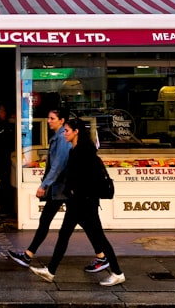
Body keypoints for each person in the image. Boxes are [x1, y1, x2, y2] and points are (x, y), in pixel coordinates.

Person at [7, 107, 109, 273]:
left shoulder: (63, 138)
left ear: (62, 121)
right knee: (62, 222)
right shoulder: (60, 137)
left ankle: (103, 258)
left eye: (52, 118)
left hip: (63, 189)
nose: (49, 121)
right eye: (49, 118)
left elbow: (58, 166)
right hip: (63, 188)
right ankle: (29, 255)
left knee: (71, 225)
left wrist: (44, 185)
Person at [28, 117, 126, 287]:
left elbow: (85, 179)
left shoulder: (83, 152)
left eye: (67, 130)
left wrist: (74, 192)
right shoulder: (76, 151)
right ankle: (51, 271)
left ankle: (117, 273)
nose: (64, 134)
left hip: (84, 203)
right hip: (78, 202)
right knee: (65, 235)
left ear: (76, 132)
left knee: (98, 238)